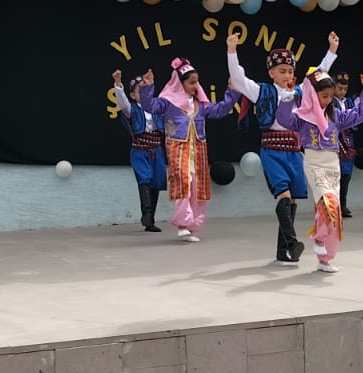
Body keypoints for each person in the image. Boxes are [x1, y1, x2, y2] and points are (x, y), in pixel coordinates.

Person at [226, 30, 338, 265]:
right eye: (282, 71)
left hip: (295, 150)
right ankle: (292, 242)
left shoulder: (300, 92)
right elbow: (238, 78)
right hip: (272, 149)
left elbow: (317, 74)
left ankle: (283, 251)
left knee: (293, 200)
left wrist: (331, 51)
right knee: (283, 196)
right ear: (271, 73)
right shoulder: (263, 91)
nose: (287, 74)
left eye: (290, 71)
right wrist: (232, 52)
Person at [276, 69, 363, 272]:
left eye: (330, 96)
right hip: (314, 163)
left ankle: (325, 258)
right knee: (328, 203)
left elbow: (360, 114)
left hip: (332, 164)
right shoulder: (303, 117)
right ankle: (318, 239)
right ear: (312, 95)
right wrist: (288, 97)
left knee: (334, 213)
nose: (327, 100)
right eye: (323, 96)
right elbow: (284, 119)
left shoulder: (336, 117)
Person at [138, 57, 242, 242]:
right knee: (183, 180)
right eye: (191, 82)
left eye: (196, 82)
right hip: (178, 146)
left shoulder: (200, 103)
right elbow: (149, 106)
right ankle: (182, 223)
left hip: (198, 148)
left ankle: (192, 224)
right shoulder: (168, 101)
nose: (195, 86)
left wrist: (232, 91)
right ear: (180, 82)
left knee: (198, 186)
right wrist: (147, 87)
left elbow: (219, 110)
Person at [112, 68, 168, 233]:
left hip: (157, 150)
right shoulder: (132, 109)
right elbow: (121, 101)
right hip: (140, 150)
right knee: (144, 179)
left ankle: (150, 221)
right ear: (133, 96)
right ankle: (147, 214)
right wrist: (117, 83)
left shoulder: (157, 107)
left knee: (156, 182)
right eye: (140, 91)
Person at [332, 71, 358, 218]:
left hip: (347, 139)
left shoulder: (348, 102)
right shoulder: (329, 101)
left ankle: (343, 204)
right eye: (339, 88)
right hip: (335, 138)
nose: (342, 92)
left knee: (347, 174)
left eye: (344, 89)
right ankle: (333, 205)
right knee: (335, 173)